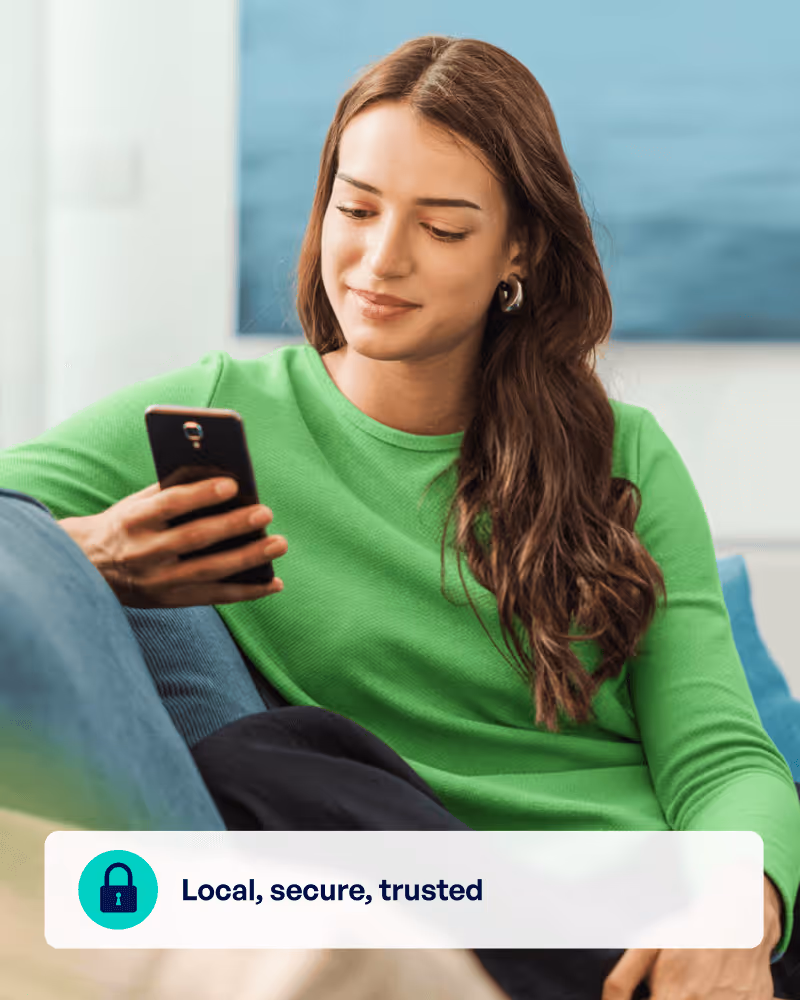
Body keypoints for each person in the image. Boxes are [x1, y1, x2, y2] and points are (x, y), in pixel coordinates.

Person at [1, 33, 798, 1000]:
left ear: (520, 249)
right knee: (268, 762)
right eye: (357, 207)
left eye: (444, 228)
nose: (381, 261)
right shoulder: (215, 409)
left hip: (645, 921)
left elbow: (719, 754)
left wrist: (738, 910)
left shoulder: (621, 452)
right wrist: (89, 550)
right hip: (422, 895)